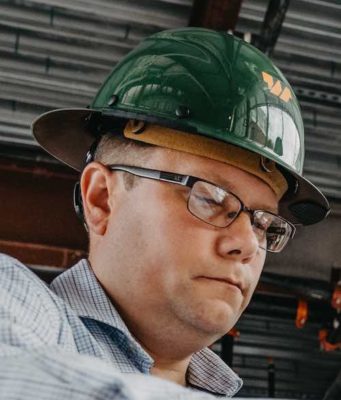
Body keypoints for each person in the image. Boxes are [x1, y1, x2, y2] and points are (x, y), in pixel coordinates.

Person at [0, 27, 330, 399]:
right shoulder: (14, 302)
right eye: (210, 197)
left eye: (262, 223)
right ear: (101, 199)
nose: (247, 244)